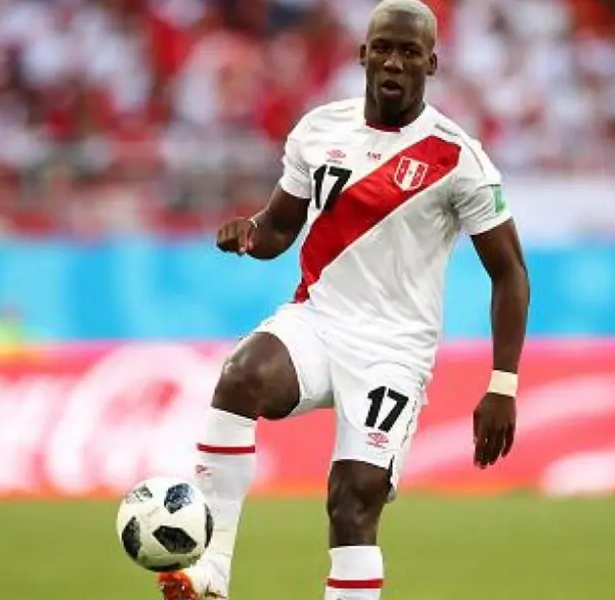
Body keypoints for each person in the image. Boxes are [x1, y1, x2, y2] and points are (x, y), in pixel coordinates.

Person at [158, 1, 530, 599]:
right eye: (383, 46)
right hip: (320, 322)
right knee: (241, 376)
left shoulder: (459, 159)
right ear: (362, 53)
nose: (393, 60)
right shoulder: (319, 130)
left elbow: (509, 273)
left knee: (352, 503)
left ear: (431, 63)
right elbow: (280, 227)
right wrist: (250, 233)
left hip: (393, 353)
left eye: (410, 52)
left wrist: (503, 385)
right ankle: (210, 573)